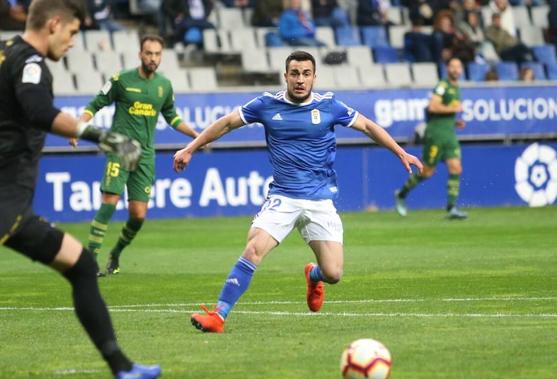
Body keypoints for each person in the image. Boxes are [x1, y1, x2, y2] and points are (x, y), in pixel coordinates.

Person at [0, 0, 161, 379]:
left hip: (7, 197)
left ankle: (123, 369)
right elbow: (39, 111)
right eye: (72, 33)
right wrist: (105, 138)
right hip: (2, 192)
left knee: (82, 267)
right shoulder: (32, 63)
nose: (73, 42)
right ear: (54, 24)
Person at [173, 50, 423, 333]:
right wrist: (190, 147)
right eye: (295, 74)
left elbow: (367, 126)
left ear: (315, 77)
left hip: (320, 200)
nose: (300, 80)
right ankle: (219, 315)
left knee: (334, 273)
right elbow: (228, 122)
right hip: (284, 197)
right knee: (254, 248)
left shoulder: (330, 106)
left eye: (306, 74)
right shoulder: (267, 104)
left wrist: (400, 151)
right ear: (286, 76)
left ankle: (313, 275)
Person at [74, 34, 198, 276]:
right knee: (110, 201)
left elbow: (172, 117)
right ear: (140, 54)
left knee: (138, 215)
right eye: (149, 53)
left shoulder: (164, 86)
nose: (153, 58)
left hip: (145, 155)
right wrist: (78, 127)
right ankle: (90, 259)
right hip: (120, 147)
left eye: (157, 54)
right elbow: (95, 104)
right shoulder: (121, 80)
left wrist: (196, 135)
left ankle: (116, 253)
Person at [394, 57, 468, 220]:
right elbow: (433, 106)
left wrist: (454, 121)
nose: (456, 70)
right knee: (427, 172)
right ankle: (401, 193)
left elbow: (442, 112)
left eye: (458, 66)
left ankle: (451, 208)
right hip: (435, 135)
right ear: (448, 69)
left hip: (449, 134)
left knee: (456, 167)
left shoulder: (456, 88)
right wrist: (453, 108)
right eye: (453, 66)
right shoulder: (442, 85)